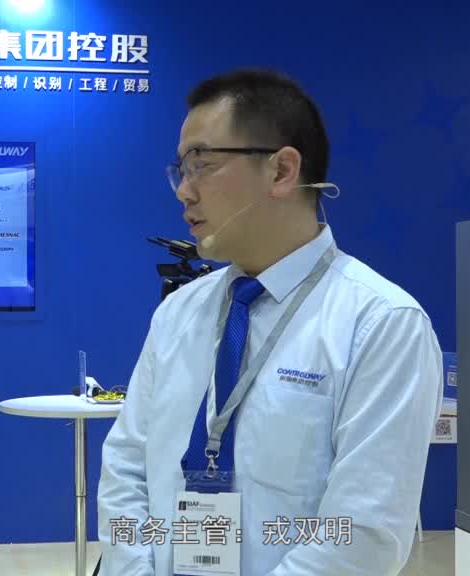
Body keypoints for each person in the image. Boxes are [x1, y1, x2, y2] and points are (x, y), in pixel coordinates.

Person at [96, 69, 443, 576]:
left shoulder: (381, 324)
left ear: (281, 170)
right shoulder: (179, 312)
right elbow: (127, 467)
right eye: (180, 170)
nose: (183, 192)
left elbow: (362, 535)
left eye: (202, 165)